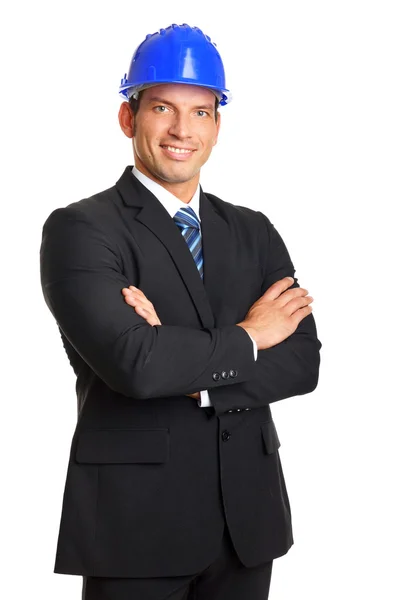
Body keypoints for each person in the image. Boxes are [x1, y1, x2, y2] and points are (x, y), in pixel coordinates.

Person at [40, 23, 322, 600]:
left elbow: (302, 362)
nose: (180, 130)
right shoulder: (82, 230)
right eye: (162, 107)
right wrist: (250, 335)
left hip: (246, 518)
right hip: (136, 524)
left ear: (218, 126)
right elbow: (136, 365)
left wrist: (187, 365)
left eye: (200, 112)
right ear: (129, 118)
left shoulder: (253, 230)